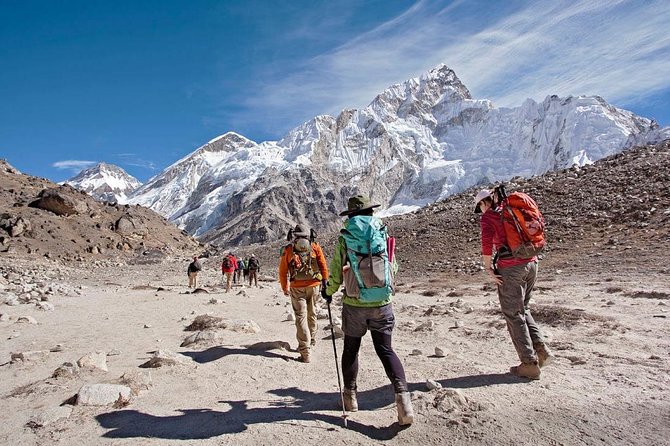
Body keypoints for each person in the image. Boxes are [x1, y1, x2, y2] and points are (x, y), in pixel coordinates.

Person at [322, 195, 414, 426]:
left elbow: (335, 271)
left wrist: (328, 291)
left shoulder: (346, 237)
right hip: (382, 303)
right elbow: (392, 264)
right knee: (386, 349)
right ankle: (404, 402)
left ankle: (350, 398)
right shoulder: (382, 232)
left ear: (351, 215)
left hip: (354, 304)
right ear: (370, 212)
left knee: (351, 349)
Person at [474, 188, 555, 380]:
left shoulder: (489, 217)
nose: (481, 211)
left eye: (480, 207)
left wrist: (488, 269)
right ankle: (541, 351)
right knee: (523, 309)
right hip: (531, 263)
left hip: (512, 268)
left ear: (483, 203)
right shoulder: (510, 210)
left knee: (513, 313)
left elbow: (486, 243)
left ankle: (529, 364)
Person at [278, 226, 328, 363]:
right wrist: (325, 281)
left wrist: (285, 287)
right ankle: (311, 340)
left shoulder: (289, 249)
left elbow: (283, 271)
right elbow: (323, 265)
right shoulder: (314, 246)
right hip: (314, 286)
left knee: (300, 317)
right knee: (312, 313)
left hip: (297, 287)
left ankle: (305, 352)